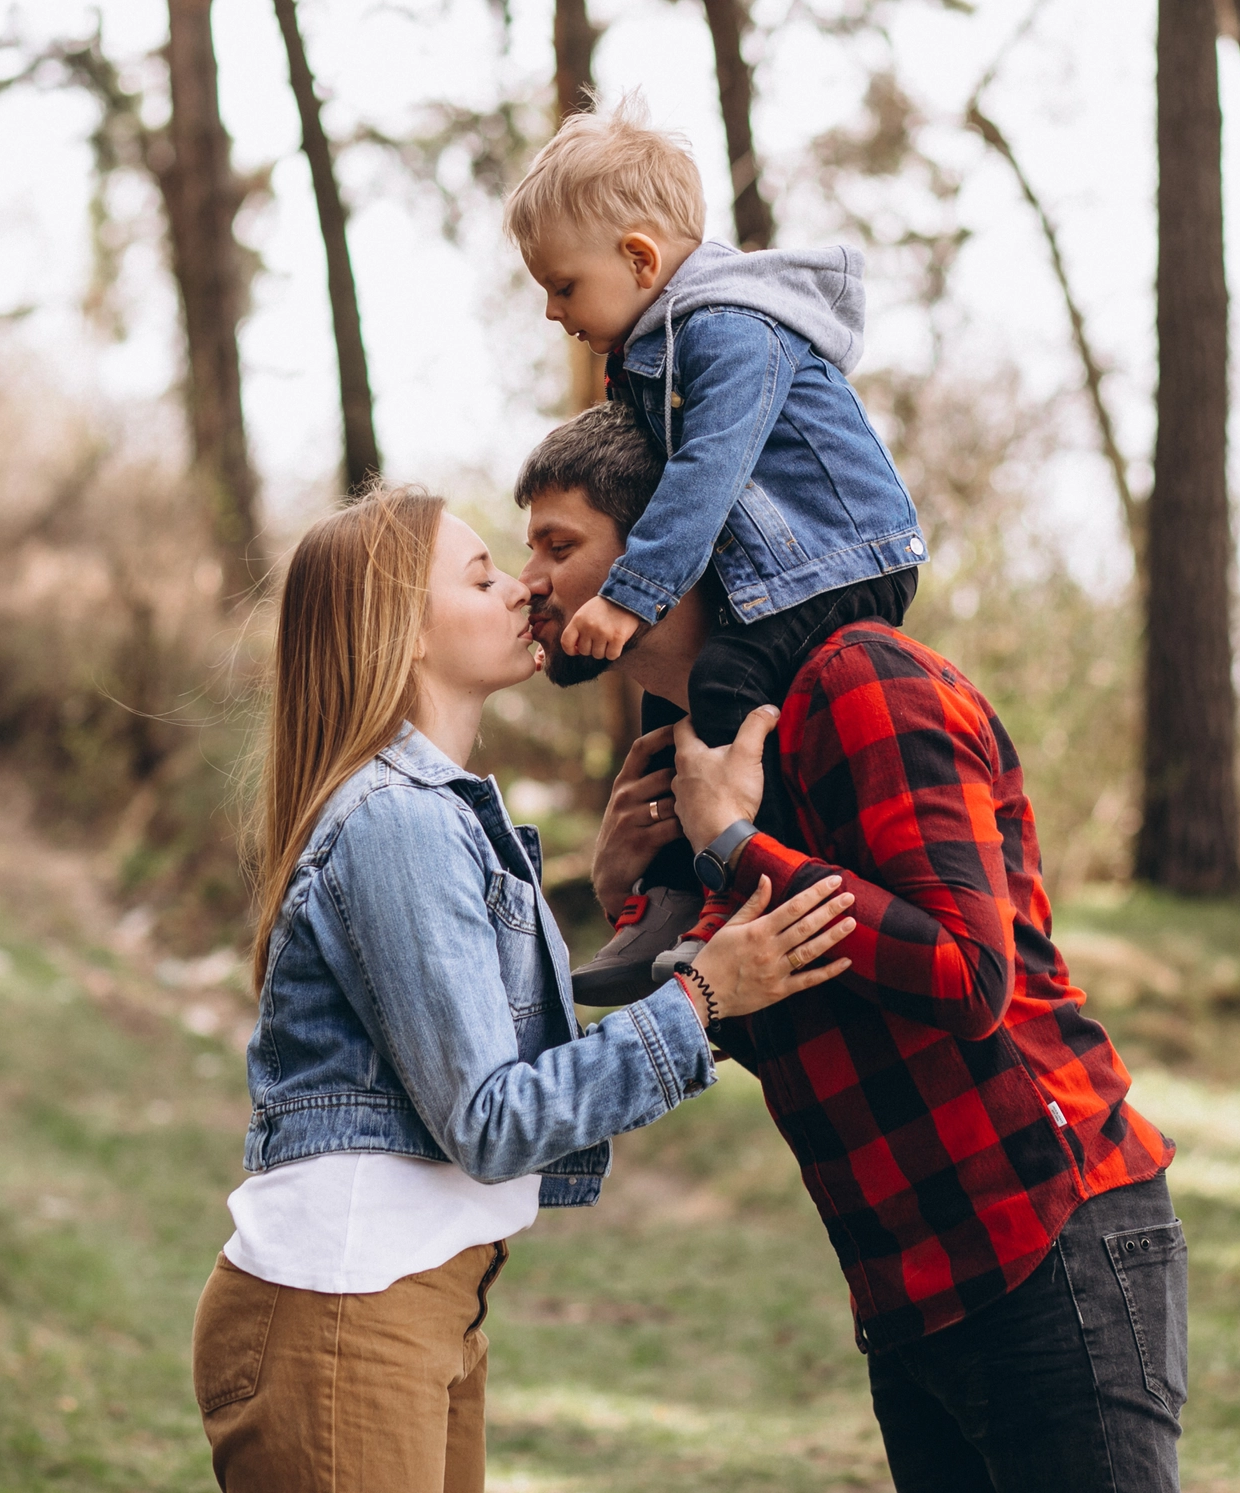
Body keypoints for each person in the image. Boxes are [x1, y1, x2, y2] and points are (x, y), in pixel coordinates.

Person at [515, 409, 1189, 1493]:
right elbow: (782, 1015)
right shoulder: (705, 749)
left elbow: (967, 973)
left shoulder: (860, 680)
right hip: (905, 1279)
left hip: (1042, 1234)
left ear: (667, 544)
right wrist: (632, 900)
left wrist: (735, 845)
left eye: (559, 544)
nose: (530, 582)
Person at [192, 486, 859, 1493]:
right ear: (404, 632)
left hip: (414, 1298)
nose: (523, 589)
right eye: (481, 578)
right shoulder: (399, 821)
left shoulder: (436, 813)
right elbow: (492, 1118)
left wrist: (629, 911)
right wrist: (699, 999)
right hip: (348, 1308)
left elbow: (484, 1047)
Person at [504, 97, 928, 999]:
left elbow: (709, 469)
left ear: (639, 258)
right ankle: (661, 902)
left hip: (838, 558)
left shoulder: (728, 327)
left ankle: (733, 897)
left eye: (563, 286)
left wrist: (631, 593)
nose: (549, 310)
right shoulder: (649, 349)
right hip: (774, 569)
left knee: (726, 688)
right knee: (667, 713)